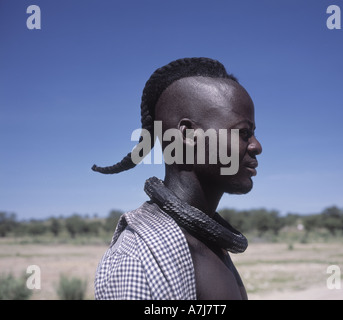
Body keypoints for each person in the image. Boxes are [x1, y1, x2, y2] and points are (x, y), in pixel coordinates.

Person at [92, 57, 262, 300]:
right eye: (244, 132)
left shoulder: (212, 244)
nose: (256, 146)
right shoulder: (141, 259)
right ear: (188, 135)